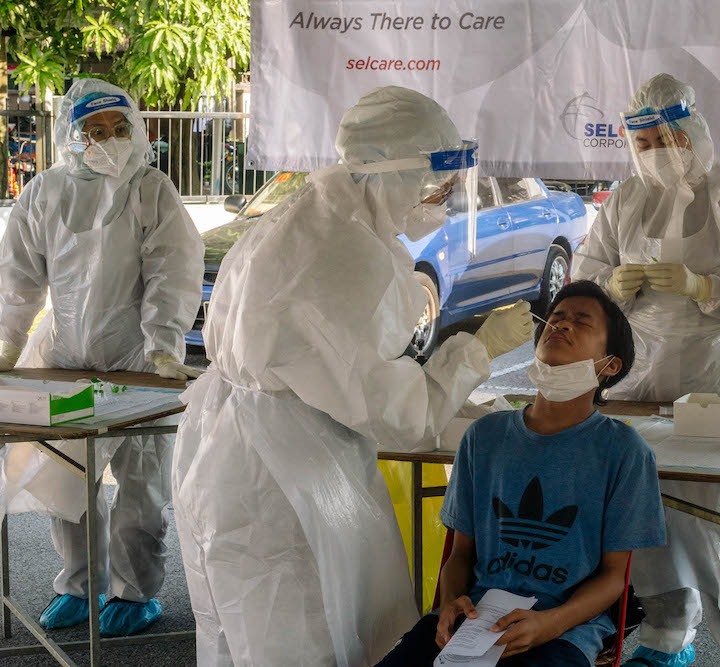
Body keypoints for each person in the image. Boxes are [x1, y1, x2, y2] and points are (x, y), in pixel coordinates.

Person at [171, 85, 534, 667]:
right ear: (392, 174)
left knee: (244, 633)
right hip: (287, 479)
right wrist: (475, 349)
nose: (438, 199)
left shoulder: (302, 219)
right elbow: (399, 417)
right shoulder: (348, 255)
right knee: (308, 635)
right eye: (432, 183)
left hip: (228, 454)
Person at [571, 74, 720, 667]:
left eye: (667, 139)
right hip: (642, 377)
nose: (656, 154)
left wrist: (706, 287)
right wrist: (607, 287)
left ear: (693, 132)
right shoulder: (624, 200)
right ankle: (667, 634)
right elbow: (587, 273)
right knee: (652, 510)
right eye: (643, 144)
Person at [0, 78, 205, 636]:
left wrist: (163, 346)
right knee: (69, 481)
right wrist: (11, 341)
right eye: (95, 131)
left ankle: (134, 592)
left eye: (118, 129)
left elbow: (172, 271)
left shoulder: (151, 190)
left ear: (136, 130)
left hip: (138, 362)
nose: (108, 140)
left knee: (140, 487)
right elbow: (20, 274)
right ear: (75, 135)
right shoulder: (44, 192)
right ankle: (78, 582)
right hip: (66, 358)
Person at [377, 280, 667, 667]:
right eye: (556, 317)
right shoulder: (484, 436)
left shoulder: (624, 452)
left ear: (610, 365)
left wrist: (550, 624)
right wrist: (448, 603)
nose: (560, 325)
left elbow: (615, 578)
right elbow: (461, 554)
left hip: (566, 626)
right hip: (475, 617)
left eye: (582, 322)